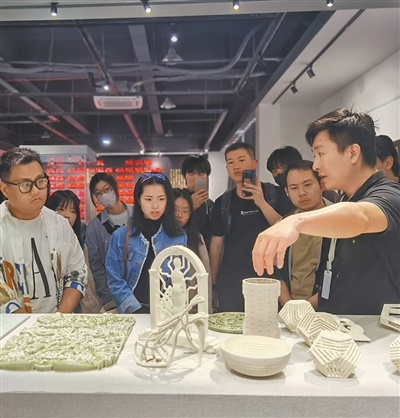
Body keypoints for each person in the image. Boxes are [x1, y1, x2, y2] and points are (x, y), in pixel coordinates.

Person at [253, 108, 400, 315]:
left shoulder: (389, 194)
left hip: (378, 331)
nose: (316, 165)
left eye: (321, 154)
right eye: (315, 156)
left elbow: (362, 216)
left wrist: (295, 221)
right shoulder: (347, 198)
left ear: (353, 153)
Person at [0, 148, 87, 314]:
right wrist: (30, 325)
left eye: (40, 181)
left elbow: (77, 273)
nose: (36, 191)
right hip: (8, 326)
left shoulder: (60, 224)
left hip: (58, 323)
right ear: (5, 189)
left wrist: (58, 319)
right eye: (25, 185)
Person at [209, 142, 293, 312]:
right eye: (231, 162)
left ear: (254, 163)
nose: (236, 166)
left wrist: (261, 203)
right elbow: (216, 245)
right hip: (231, 282)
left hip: (269, 279)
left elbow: (287, 228)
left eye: (241, 160)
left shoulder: (275, 194)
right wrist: (214, 283)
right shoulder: (223, 202)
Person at [105, 173, 187, 313]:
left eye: (161, 199)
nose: (155, 206)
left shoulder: (178, 237)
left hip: (167, 313)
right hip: (131, 313)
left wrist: (167, 308)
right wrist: (135, 309)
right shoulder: (120, 236)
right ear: (139, 200)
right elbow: (114, 278)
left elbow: (182, 279)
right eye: (148, 199)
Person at [273, 160, 333, 309]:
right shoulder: (283, 225)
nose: (302, 193)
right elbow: (277, 272)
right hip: (288, 310)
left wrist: (306, 307)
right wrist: (288, 305)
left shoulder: (338, 221)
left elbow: (343, 274)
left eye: (307, 185)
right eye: (294, 188)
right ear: (287, 192)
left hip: (328, 310)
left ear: (322, 185)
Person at [46, 190, 101, 313]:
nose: (67, 215)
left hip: (73, 305)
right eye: (61, 209)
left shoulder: (80, 244)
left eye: (73, 211)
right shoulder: (41, 241)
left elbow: (87, 281)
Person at [85, 172, 133, 308]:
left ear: (114, 187)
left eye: (107, 189)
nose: (104, 195)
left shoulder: (138, 217)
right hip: (112, 297)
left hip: (141, 291)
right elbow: (96, 266)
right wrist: (109, 297)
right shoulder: (95, 227)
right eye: (98, 193)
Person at [173, 188, 212, 313]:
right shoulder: (159, 238)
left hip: (192, 310)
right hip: (165, 308)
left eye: (185, 211)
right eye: (175, 210)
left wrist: (207, 311)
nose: (179, 215)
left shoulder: (196, 239)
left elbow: (206, 278)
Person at [267, 145, 340, 203]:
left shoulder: (328, 194)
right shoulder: (274, 195)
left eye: (307, 185)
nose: (301, 193)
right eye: (274, 171)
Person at [181, 155, 213, 251]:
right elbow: (172, 226)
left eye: (201, 173)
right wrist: (190, 206)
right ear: (184, 176)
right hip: (184, 249)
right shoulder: (177, 198)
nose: (196, 178)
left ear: (207, 176)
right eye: (191, 173)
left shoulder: (211, 204)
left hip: (205, 251)